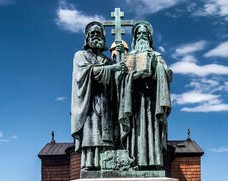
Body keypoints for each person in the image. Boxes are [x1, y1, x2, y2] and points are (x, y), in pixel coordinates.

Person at [71, 22, 127, 170]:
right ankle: (90, 164)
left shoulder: (107, 59)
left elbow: (117, 82)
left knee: (106, 135)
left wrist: (119, 59)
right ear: (87, 37)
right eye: (92, 33)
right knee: (92, 133)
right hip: (89, 103)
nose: (95, 35)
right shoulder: (80, 55)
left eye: (98, 33)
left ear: (103, 37)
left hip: (106, 103)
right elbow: (88, 73)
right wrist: (112, 68)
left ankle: (107, 164)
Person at [118, 21, 172, 169]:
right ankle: (133, 161)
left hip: (151, 99)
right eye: (139, 34)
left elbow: (167, 74)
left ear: (149, 37)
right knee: (136, 131)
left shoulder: (156, 55)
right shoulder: (130, 57)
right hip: (134, 101)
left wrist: (156, 67)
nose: (142, 36)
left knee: (151, 129)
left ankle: (153, 162)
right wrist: (136, 75)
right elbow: (122, 79)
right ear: (135, 38)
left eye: (144, 34)